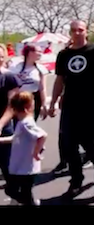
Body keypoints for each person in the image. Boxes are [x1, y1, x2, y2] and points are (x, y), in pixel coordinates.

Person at [48, 20, 94, 198]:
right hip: (70, 105)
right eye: (74, 30)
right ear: (70, 33)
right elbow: (59, 79)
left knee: (89, 143)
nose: (77, 33)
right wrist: (53, 102)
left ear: (86, 31)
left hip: (91, 105)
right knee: (69, 144)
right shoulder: (64, 54)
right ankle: (76, 181)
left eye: (80, 30)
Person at [0, 92, 47, 206]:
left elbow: (42, 135)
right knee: (20, 192)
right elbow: (15, 138)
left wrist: (36, 152)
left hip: (26, 168)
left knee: (13, 190)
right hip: (21, 167)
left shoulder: (26, 123)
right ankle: (29, 202)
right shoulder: (22, 123)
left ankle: (29, 203)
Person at [0, 44, 20, 205]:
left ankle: (17, 197)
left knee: (8, 167)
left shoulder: (9, 77)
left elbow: (12, 106)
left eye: (0, 56)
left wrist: (0, 124)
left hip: (4, 128)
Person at [10, 44, 48, 121]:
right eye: (38, 51)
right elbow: (11, 86)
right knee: (18, 123)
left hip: (34, 99)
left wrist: (44, 105)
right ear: (30, 53)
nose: (40, 54)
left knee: (30, 122)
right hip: (19, 98)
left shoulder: (41, 69)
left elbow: (42, 88)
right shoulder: (16, 67)